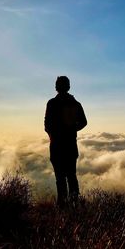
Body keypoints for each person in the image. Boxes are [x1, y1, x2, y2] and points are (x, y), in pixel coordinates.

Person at [44, 76, 87, 207]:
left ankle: (62, 206)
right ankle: (75, 204)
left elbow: (46, 125)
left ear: (56, 87)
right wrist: (72, 129)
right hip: (70, 146)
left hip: (56, 146)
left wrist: (53, 134)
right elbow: (84, 122)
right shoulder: (76, 104)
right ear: (68, 87)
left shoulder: (52, 103)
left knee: (60, 178)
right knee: (71, 177)